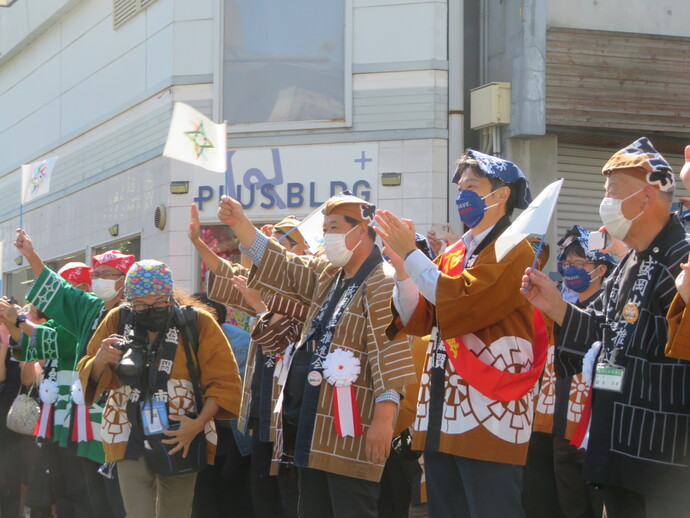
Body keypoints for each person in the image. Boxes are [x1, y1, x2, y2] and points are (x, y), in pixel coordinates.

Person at [217, 193, 417, 518]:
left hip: (354, 426)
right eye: (325, 228)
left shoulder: (381, 280)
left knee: (352, 507)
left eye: (335, 227)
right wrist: (241, 224)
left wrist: (383, 419)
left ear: (363, 228)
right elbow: (284, 265)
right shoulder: (328, 275)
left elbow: (389, 350)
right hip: (311, 420)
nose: (328, 236)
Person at [523, 137, 690, 517]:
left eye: (614, 191)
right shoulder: (632, 260)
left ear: (646, 199)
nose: (606, 201)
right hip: (619, 439)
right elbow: (602, 326)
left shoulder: (682, 255)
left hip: (666, 451)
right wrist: (554, 304)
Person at [375, 149, 543, 518]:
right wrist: (404, 270)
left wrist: (413, 256)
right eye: (460, 186)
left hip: (491, 406)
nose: (462, 194)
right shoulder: (453, 252)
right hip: (443, 406)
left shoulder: (517, 249)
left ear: (500, 195)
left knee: (492, 507)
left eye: (472, 186)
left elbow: (463, 301)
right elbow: (421, 318)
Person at [77, 259, 242, 518]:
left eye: (158, 303)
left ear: (169, 295)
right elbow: (88, 371)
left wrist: (198, 424)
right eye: (140, 304)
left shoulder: (197, 322)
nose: (149, 309)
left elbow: (225, 381)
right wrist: (99, 359)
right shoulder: (118, 318)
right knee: (137, 513)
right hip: (127, 429)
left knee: (175, 512)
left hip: (181, 430)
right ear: (129, 299)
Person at [189, 205, 307, 518]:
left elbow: (283, 339)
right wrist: (200, 244)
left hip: (291, 419)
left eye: (286, 242)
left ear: (304, 249)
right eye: (276, 241)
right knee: (262, 497)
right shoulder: (264, 290)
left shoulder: (310, 291)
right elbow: (230, 279)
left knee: (289, 500)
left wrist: (260, 307)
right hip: (261, 418)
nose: (279, 248)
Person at [14, 230, 133, 518]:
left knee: (120, 499)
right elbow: (60, 293)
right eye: (97, 273)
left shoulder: (137, 311)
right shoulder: (90, 308)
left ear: (125, 279)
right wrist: (31, 254)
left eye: (108, 273)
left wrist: (16, 320)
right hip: (85, 419)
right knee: (88, 496)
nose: (100, 278)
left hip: (123, 418)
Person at [529, 226, 613, 518]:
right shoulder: (560, 306)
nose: (571, 270)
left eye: (580, 264)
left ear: (601, 270)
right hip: (554, 423)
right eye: (567, 264)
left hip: (589, 428)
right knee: (556, 504)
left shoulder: (605, 309)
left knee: (588, 505)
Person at [190, 292, 253, 518]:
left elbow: (237, 396)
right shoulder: (191, 337)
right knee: (206, 485)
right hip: (207, 427)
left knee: (230, 484)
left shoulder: (239, 343)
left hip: (232, 429)